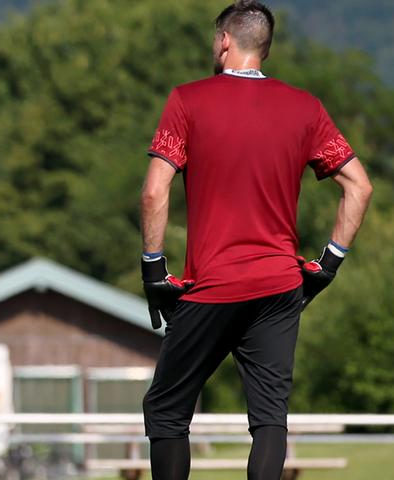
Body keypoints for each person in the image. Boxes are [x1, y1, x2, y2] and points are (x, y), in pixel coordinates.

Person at [139, 1, 373, 479]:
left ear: (225, 40)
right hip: (280, 286)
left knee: (167, 408)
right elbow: (360, 186)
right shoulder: (305, 108)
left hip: (214, 285)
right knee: (269, 417)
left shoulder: (188, 100)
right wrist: (328, 265)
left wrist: (153, 270)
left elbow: (154, 189)